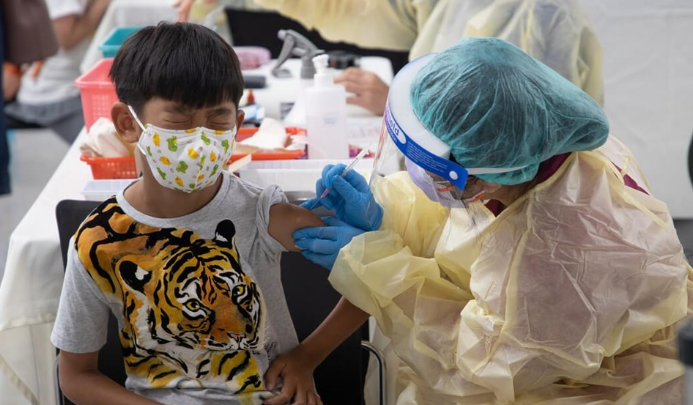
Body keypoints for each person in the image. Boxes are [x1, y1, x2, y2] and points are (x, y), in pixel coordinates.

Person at [279, 38, 692, 404]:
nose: (411, 172)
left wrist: (382, 270)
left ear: (481, 177)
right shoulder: (527, 151)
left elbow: (484, 366)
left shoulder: (561, 255)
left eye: (429, 168)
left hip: (580, 388)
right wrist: (385, 219)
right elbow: (455, 222)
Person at [51, 22, 323, 405]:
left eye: (217, 119)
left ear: (237, 125)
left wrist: (308, 356)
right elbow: (75, 375)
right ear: (128, 124)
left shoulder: (260, 213)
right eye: (178, 120)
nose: (199, 139)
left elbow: (375, 270)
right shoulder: (98, 240)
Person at [175, 0, 603, 114]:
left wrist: (402, 106)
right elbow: (369, 11)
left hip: (520, 216)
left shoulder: (527, 13)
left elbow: (495, 137)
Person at [4, 0, 110, 143]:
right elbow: (65, 39)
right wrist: (102, 4)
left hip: (61, 89)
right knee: (104, 142)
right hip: (55, 96)